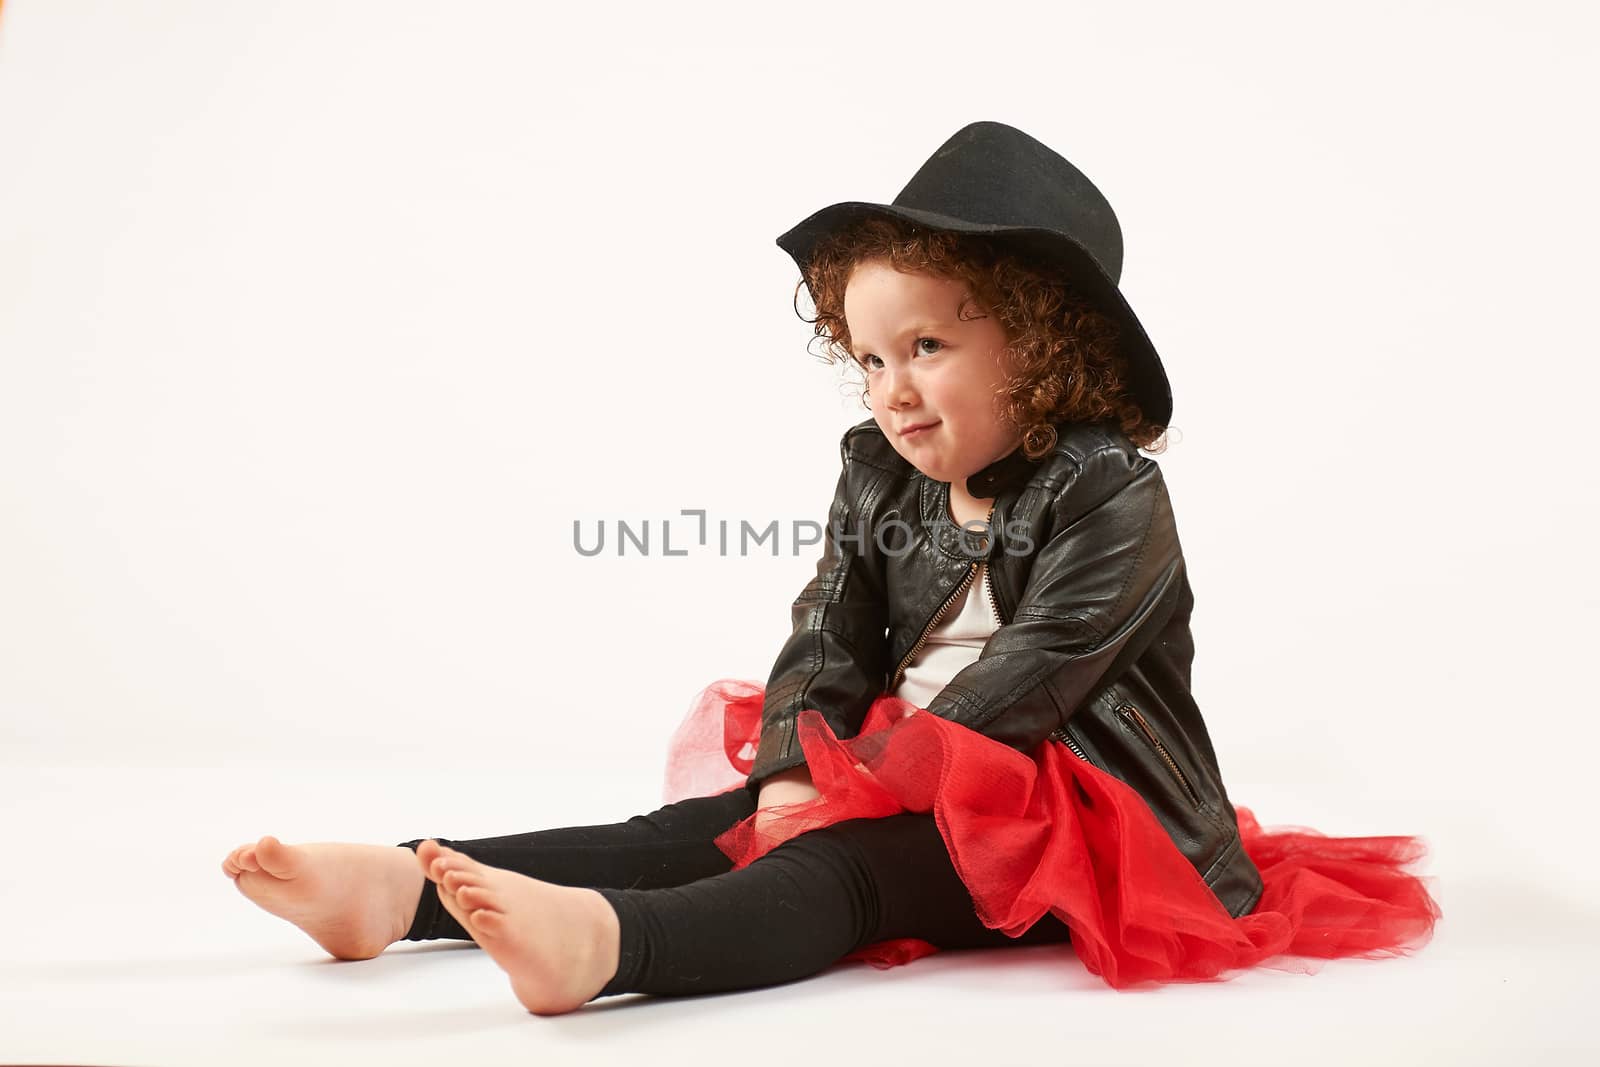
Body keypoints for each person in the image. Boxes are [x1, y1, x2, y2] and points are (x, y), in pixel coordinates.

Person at [220, 121, 1442, 1015]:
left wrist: (862, 788)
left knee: (847, 866)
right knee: (709, 818)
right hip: (902, 754)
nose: (891, 386)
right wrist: (802, 760)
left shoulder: (1111, 489)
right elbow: (826, 635)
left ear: (1044, 351)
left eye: (927, 346)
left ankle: (609, 946)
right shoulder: (879, 468)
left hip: (1071, 800)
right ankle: (400, 886)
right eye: (866, 356)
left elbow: (1036, 671)